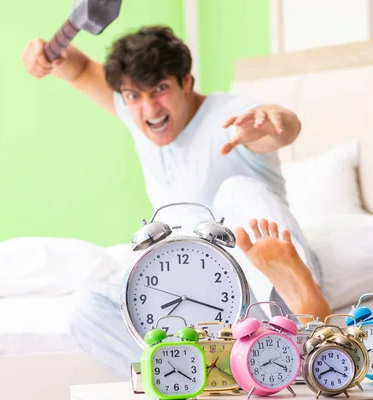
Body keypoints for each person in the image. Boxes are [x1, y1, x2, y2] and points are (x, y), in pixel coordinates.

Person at [21, 26, 330, 376]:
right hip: (194, 296)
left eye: (161, 89)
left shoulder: (232, 118)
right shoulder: (137, 113)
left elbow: (281, 126)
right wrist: (47, 52)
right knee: (86, 308)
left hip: (259, 287)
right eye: (134, 96)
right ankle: (204, 377)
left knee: (237, 189)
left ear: (186, 82)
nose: (149, 107)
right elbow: (76, 69)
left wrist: (275, 122)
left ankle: (305, 326)